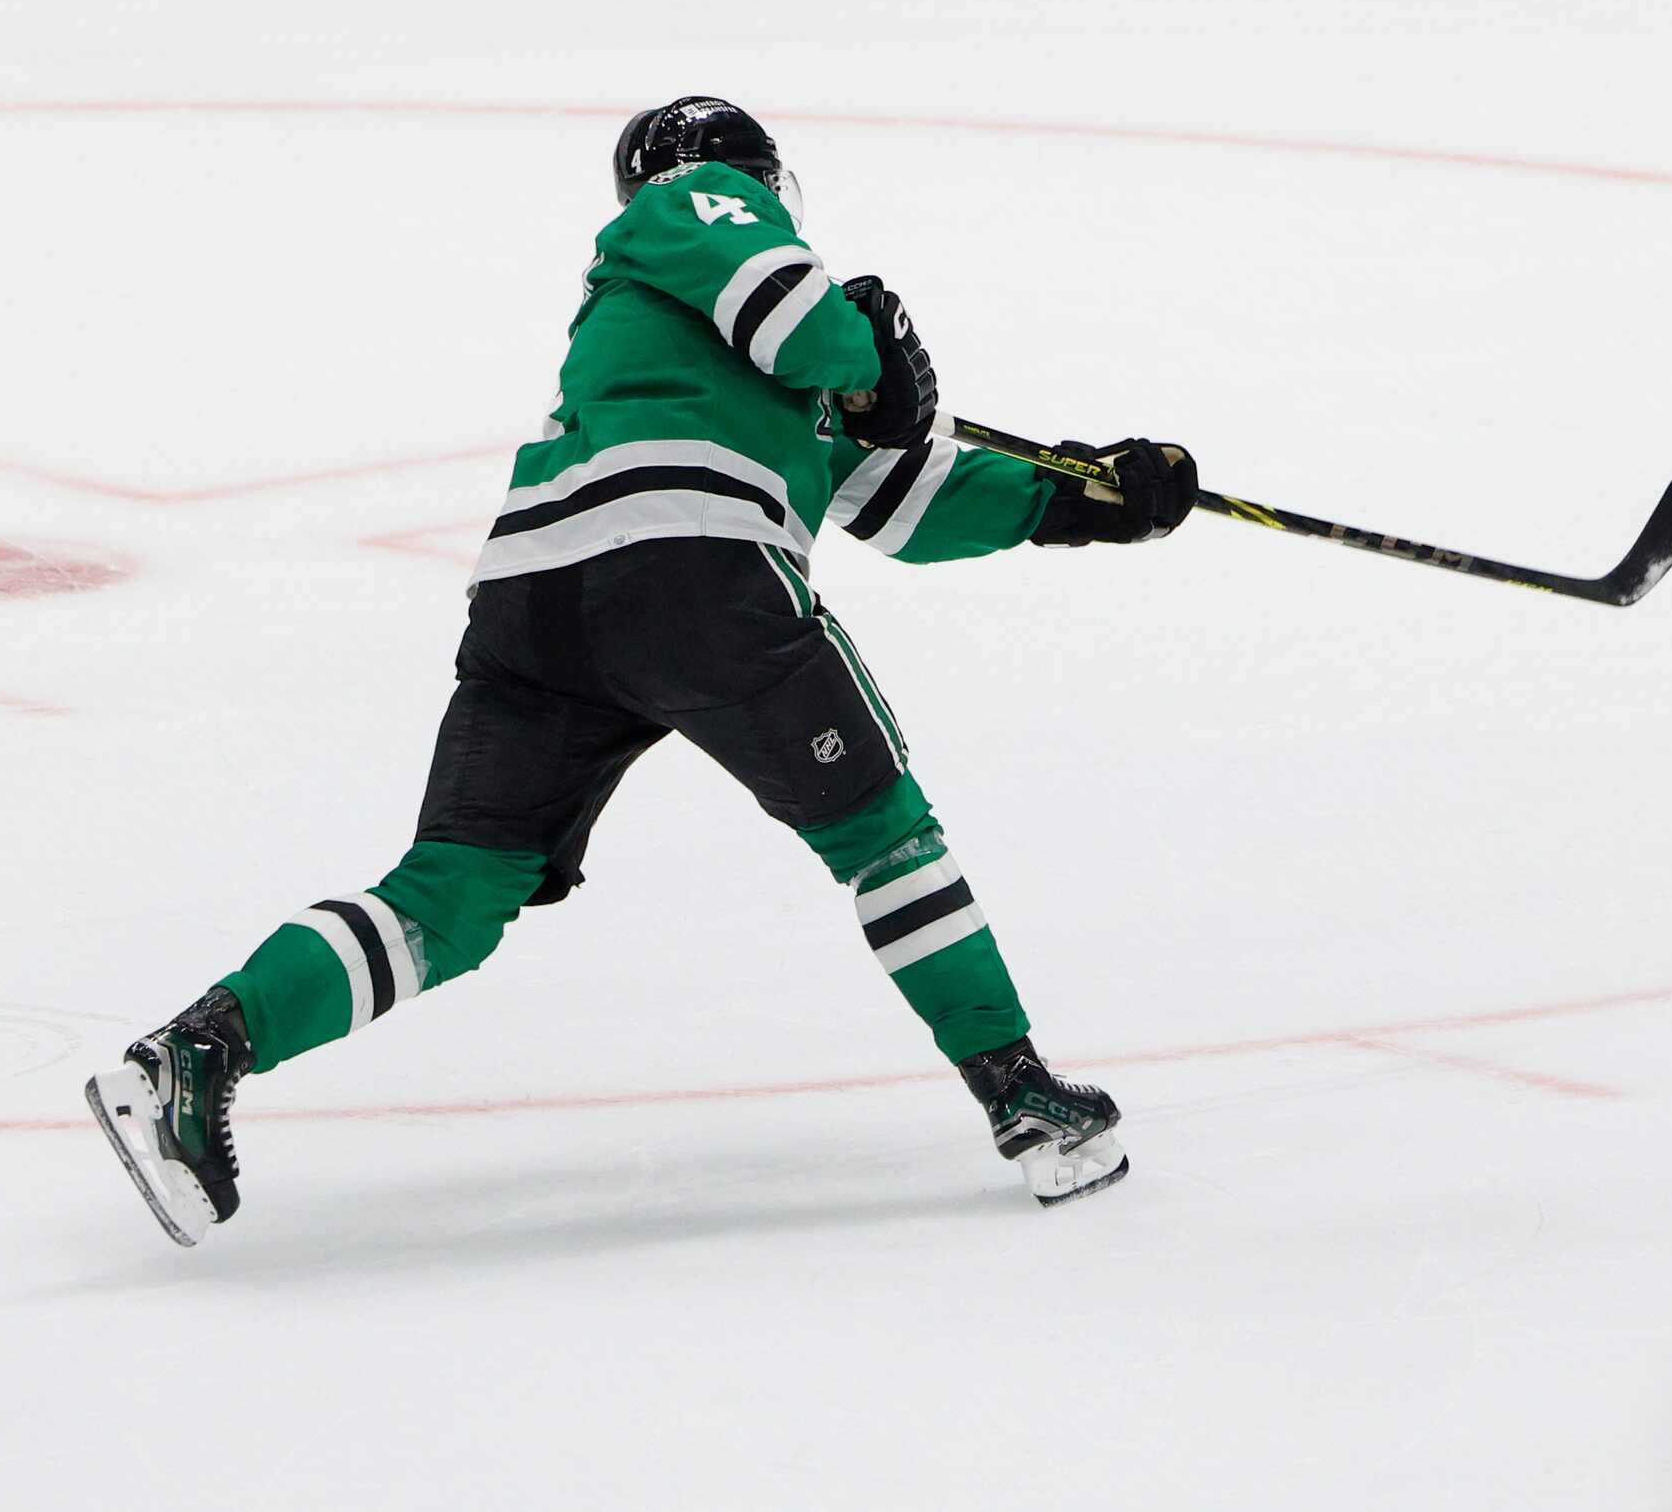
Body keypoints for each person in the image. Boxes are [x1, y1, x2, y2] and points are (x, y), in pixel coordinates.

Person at [89, 97, 1196, 1245]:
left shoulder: (703, 358)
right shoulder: (691, 204)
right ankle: (1023, 1099)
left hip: (539, 603)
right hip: (692, 569)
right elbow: (808, 327)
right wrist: (864, 360)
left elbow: (896, 492)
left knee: (453, 898)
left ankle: (197, 1052)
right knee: (883, 835)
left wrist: (1085, 499)